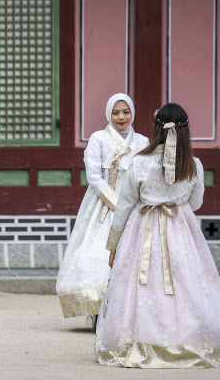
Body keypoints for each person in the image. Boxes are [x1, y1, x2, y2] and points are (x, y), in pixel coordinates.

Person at [95, 103, 220, 368]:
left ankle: (141, 342)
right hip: (181, 231)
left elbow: (124, 207)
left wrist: (113, 245)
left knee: (144, 285)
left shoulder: (139, 162)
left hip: (143, 229)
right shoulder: (193, 165)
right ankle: (187, 341)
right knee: (185, 284)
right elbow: (196, 204)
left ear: (156, 128)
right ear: (186, 130)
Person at [56, 93, 148, 328]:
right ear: (109, 114)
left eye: (126, 112)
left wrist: (135, 204)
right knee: (96, 255)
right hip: (102, 205)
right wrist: (116, 203)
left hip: (134, 206)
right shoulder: (98, 138)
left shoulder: (143, 142)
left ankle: (129, 312)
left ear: (132, 114)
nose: (121, 117)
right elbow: (94, 176)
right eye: (116, 112)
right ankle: (99, 312)